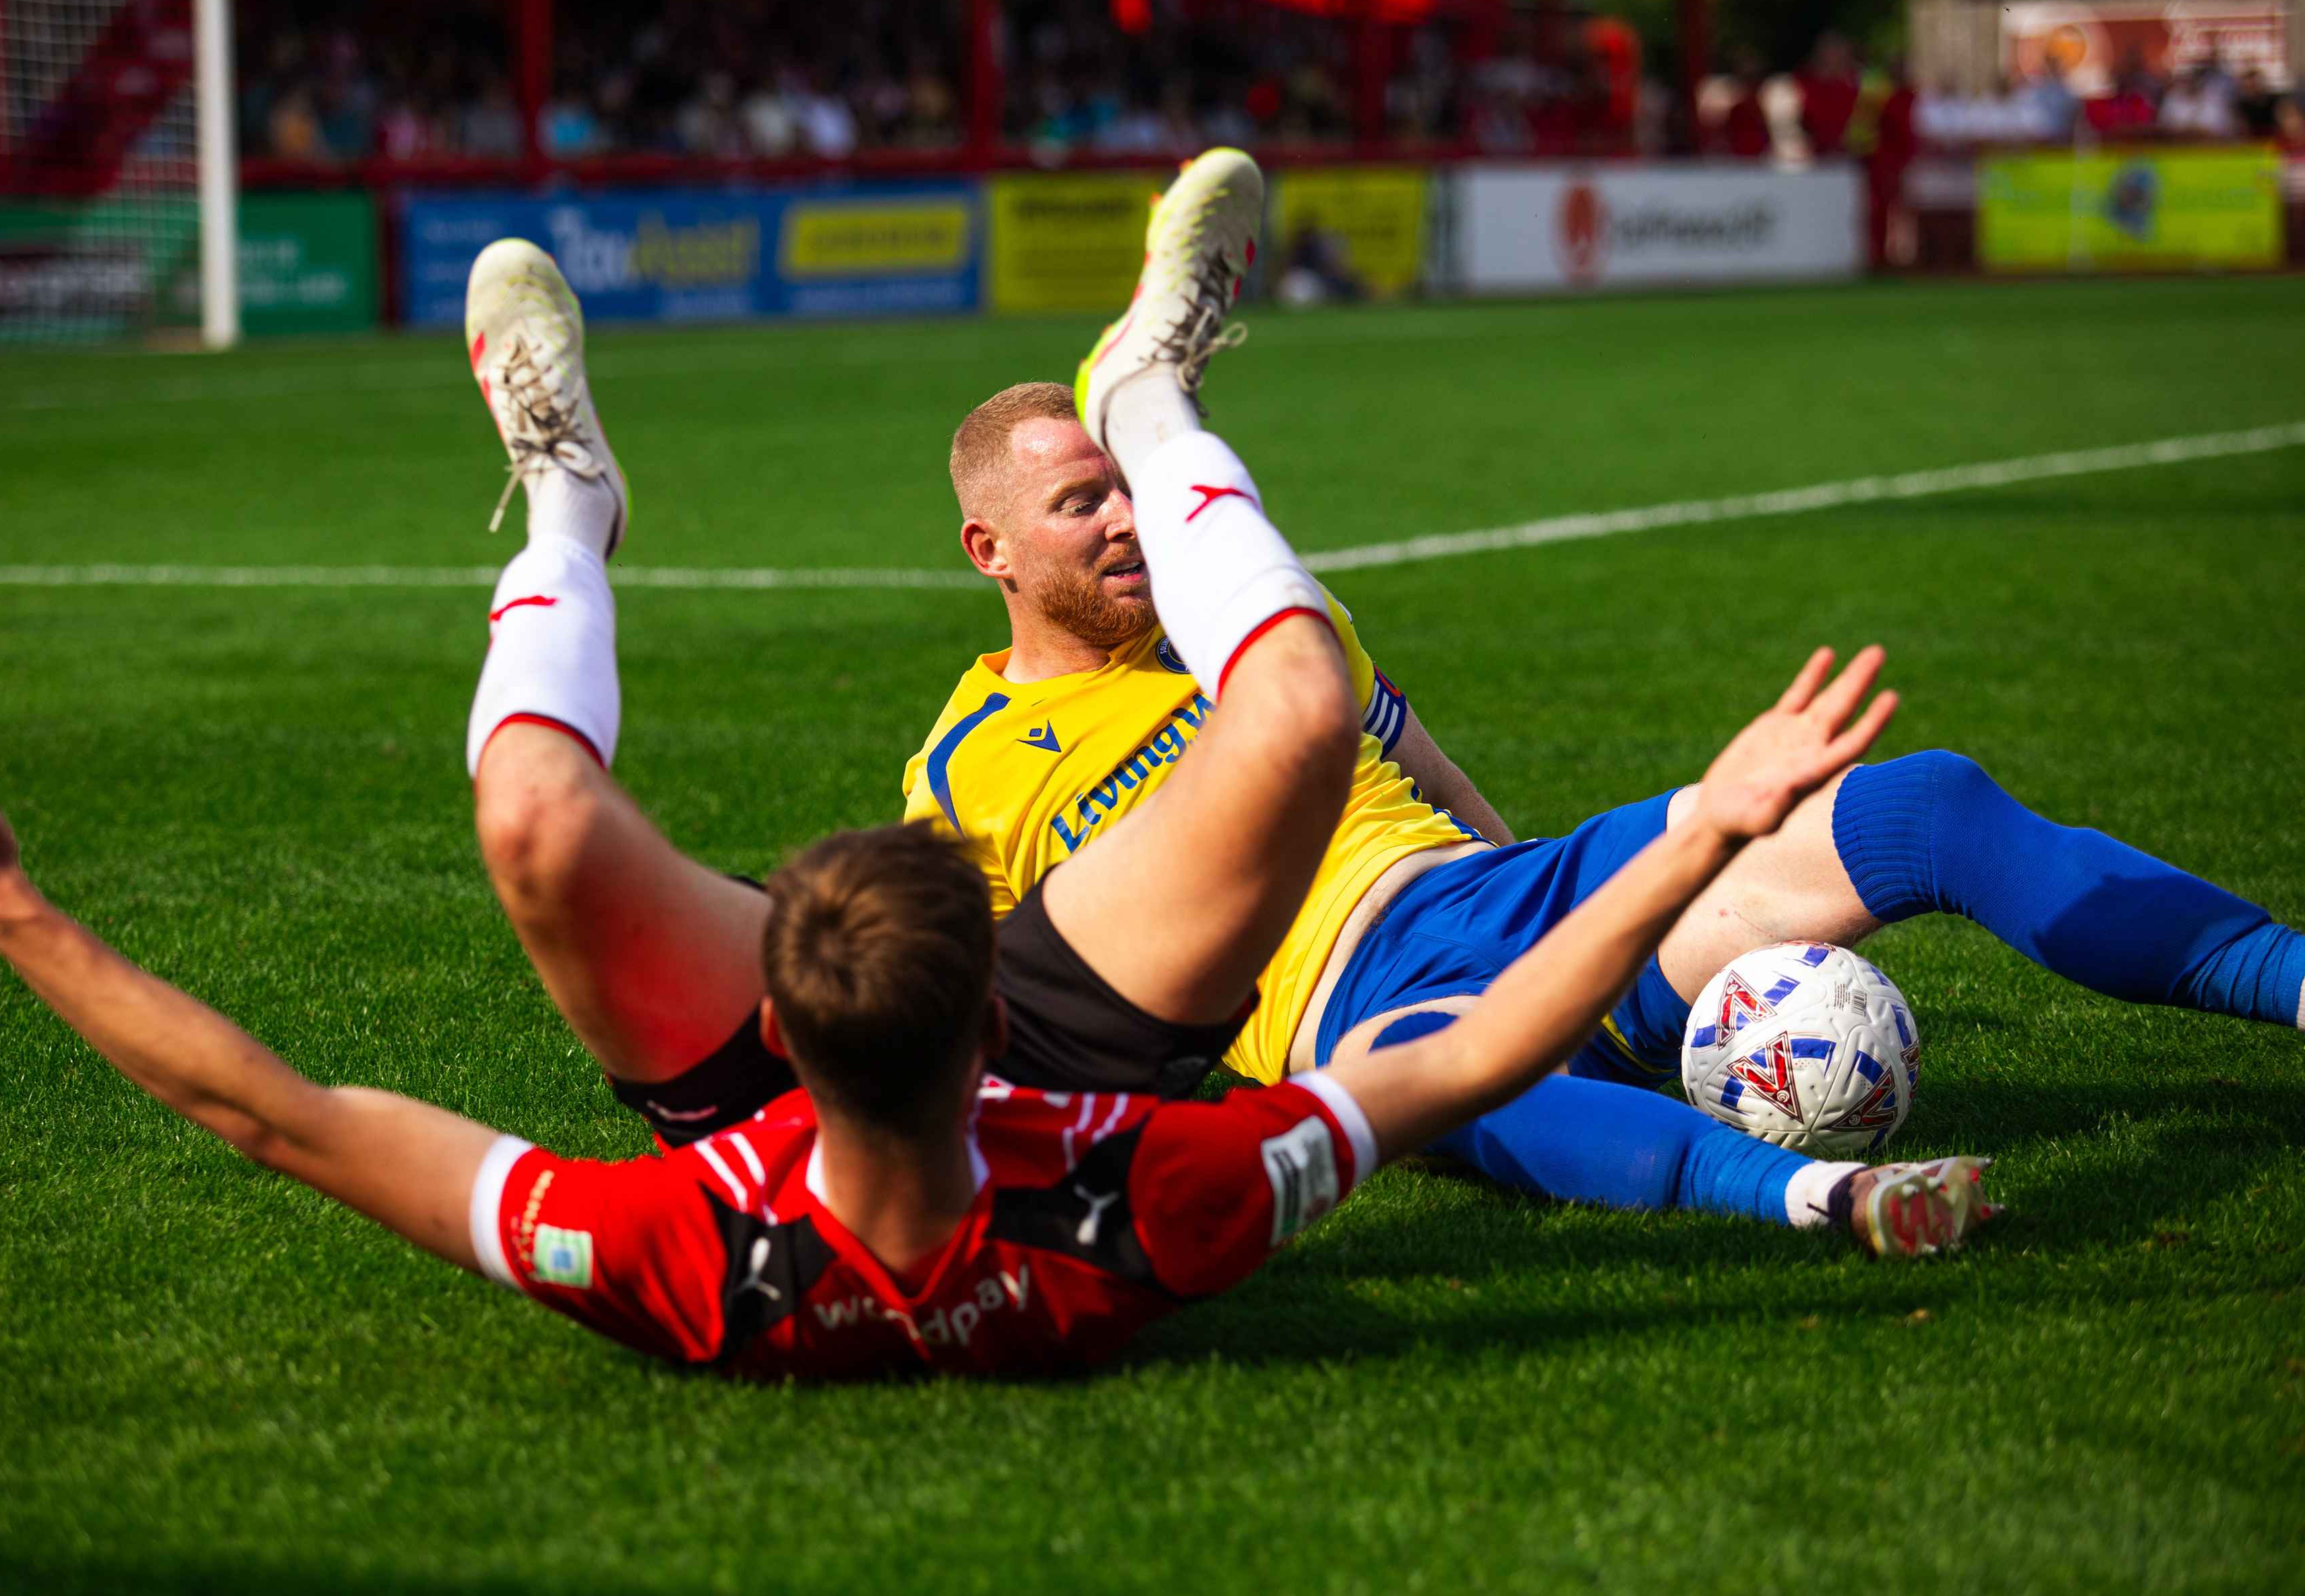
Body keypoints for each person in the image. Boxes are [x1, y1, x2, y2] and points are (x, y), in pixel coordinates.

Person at [0, 161, 1985, 1384]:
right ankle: (1153, 399)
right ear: (987, 1018)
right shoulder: (1145, 1193)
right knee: (1306, 719)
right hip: (1055, 1063)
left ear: (790, 1012)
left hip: (835, 1119)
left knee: (535, 823)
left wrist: (1, 902)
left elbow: (277, 1114)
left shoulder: (679, 1243)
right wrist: (1701, 827)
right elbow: (1481, 1051)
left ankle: (567, 499)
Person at [900, 153, 2305, 1239]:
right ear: (991, 551)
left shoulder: (1249, 624)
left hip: (1507, 891)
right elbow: (1003, 1024)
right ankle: (1829, 1200)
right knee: (1478, 1079)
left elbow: (1430, 772)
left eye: (1132, 489)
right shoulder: (966, 772)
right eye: (1082, 503)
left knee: (1924, 805)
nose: (1129, 522)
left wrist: (1561, 929)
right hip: (1348, 1007)